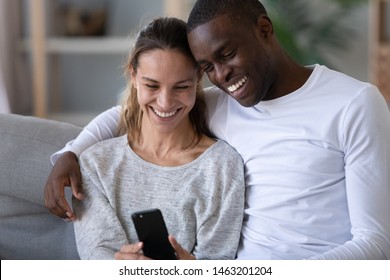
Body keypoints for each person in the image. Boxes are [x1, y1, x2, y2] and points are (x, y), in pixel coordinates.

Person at [45, 0, 390, 260]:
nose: (222, 76)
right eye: (208, 67)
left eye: (227, 54)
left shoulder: (354, 103)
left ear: (265, 30)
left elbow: (376, 242)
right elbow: (135, 110)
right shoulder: (224, 102)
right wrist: (70, 154)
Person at [71, 17, 245, 260]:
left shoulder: (222, 167)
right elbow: (97, 255)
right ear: (133, 76)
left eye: (181, 87)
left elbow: (217, 262)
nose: (165, 103)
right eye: (152, 86)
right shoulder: (95, 165)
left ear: (198, 80)